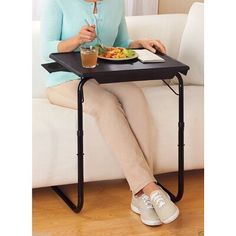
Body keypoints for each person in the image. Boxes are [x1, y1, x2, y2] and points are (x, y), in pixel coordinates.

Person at [41, 0, 179, 226]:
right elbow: (44, 49)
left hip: (100, 77)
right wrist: (76, 40)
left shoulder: (115, 3)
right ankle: (150, 188)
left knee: (135, 96)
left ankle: (140, 196)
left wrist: (139, 43)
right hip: (63, 81)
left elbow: (121, 43)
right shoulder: (59, 2)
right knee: (106, 104)